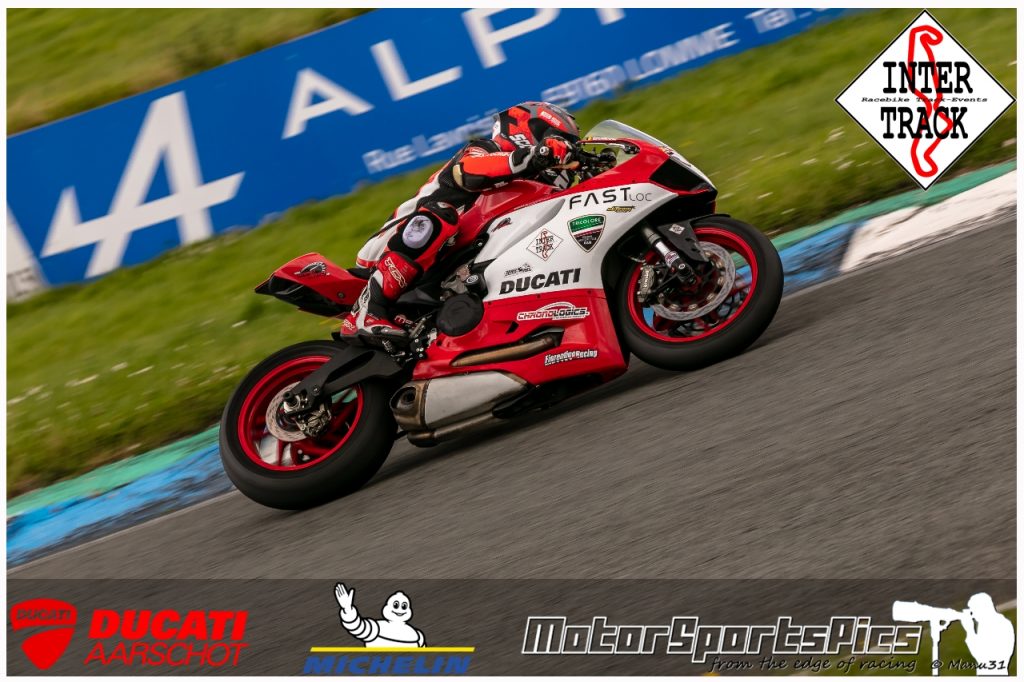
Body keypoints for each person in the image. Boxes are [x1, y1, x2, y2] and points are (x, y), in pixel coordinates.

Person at [341, 102, 580, 340]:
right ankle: (365, 312)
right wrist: (536, 155)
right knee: (440, 216)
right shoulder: (483, 149)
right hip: (390, 247)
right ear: (528, 131)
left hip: (445, 262)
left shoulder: (532, 186)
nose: (561, 149)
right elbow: (468, 171)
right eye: (557, 140)